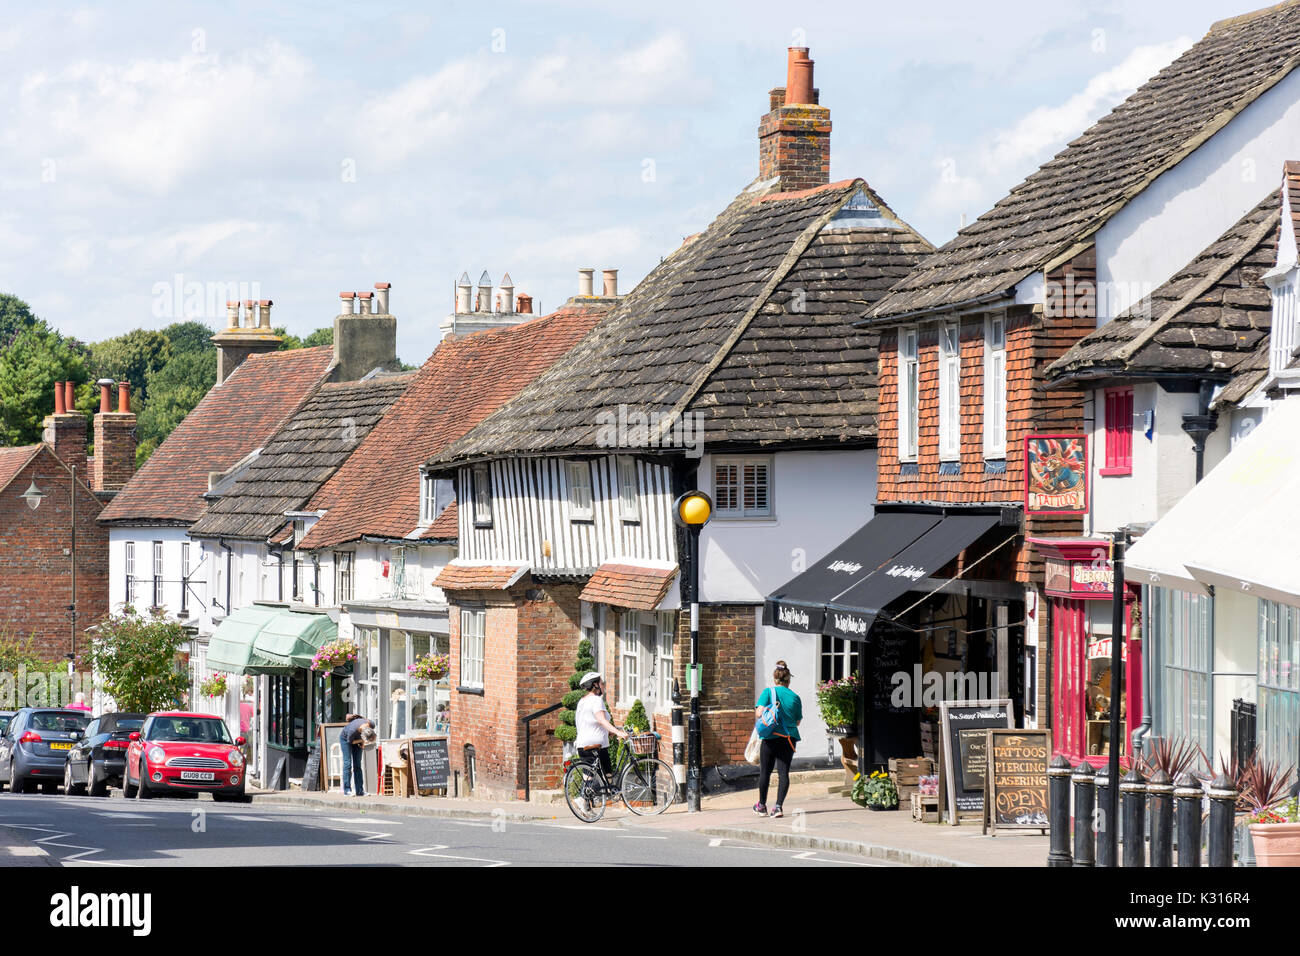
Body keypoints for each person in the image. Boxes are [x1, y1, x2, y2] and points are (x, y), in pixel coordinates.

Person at [753, 660, 802, 818]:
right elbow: (797, 721)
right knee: (783, 773)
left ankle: (761, 806)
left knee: (765, 772)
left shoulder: (768, 692)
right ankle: (778, 807)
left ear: (775, 679)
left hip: (770, 737)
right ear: (788, 680)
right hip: (788, 738)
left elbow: (759, 713)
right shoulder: (795, 697)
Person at [573, 672, 630, 777]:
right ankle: (606, 791)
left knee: (590, 778)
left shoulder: (582, 701)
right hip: (597, 745)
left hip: (582, 744)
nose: (604, 686)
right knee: (607, 776)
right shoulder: (596, 700)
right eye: (602, 683)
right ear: (595, 685)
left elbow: (588, 723)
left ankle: (586, 792)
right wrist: (618, 732)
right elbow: (601, 720)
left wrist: (609, 732)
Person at [339, 713, 375, 796]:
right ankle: (347, 790)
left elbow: (369, 736)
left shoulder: (371, 724)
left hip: (359, 740)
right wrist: (362, 741)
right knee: (347, 764)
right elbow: (350, 742)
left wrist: (363, 741)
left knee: (357, 765)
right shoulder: (352, 730)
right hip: (346, 740)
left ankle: (360, 791)